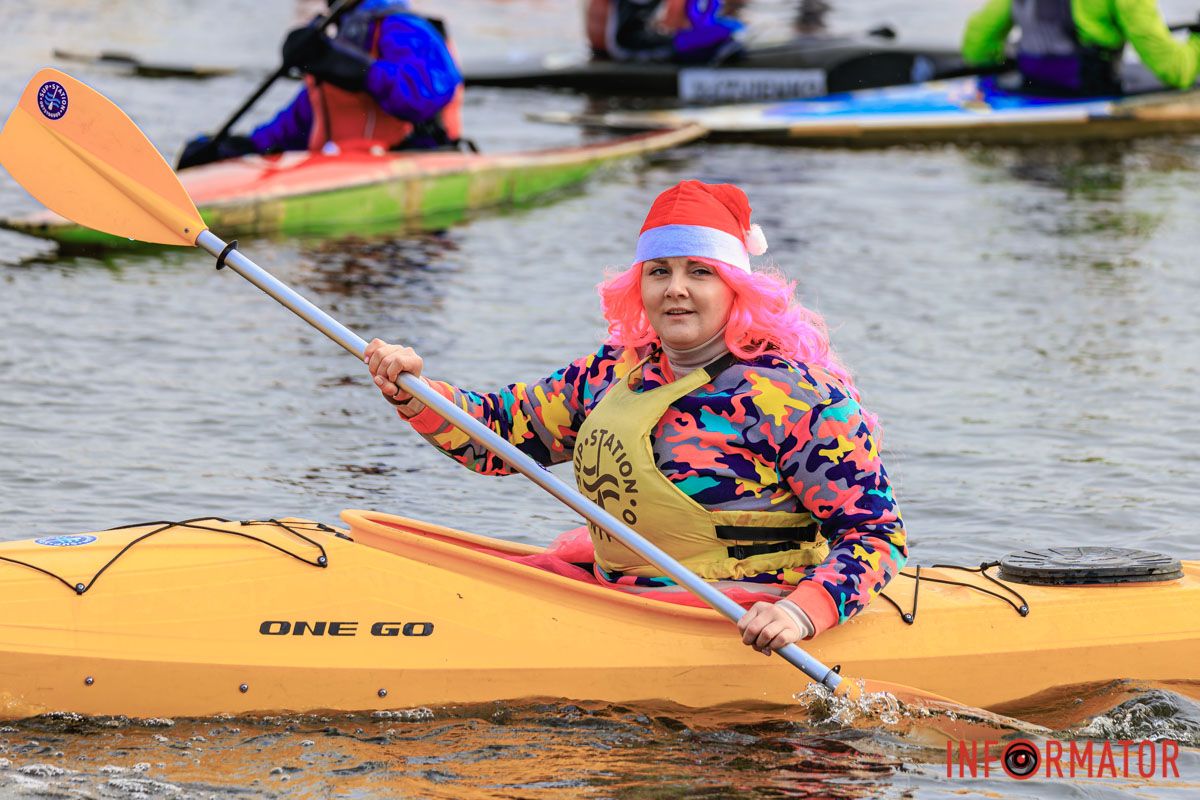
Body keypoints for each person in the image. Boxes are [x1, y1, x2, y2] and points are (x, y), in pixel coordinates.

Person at [362, 180, 906, 655]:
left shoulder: (799, 397)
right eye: (659, 271)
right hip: (616, 595)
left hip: (743, 614)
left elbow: (875, 536)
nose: (676, 288)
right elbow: (497, 435)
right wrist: (412, 388)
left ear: (736, 289)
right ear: (638, 288)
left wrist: (801, 612)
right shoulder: (611, 373)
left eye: (700, 272)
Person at [177, 0, 463, 170]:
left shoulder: (404, 27)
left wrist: (357, 70)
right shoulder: (338, 34)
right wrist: (235, 149)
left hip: (408, 163)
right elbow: (301, 124)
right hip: (336, 170)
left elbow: (425, 94)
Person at [962, 0, 1200, 96]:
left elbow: (976, 45)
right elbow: (1177, 72)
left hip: (1032, 83)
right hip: (1088, 88)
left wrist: (1003, 62)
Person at [586, 0, 744, 63]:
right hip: (621, 46)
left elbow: (673, 23)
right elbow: (675, 24)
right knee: (717, 41)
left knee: (719, 37)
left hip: (626, 43)